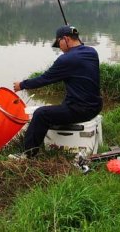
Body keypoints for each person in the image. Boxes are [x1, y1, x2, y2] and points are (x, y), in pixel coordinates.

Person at [12, 25, 102, 158]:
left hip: (81, 110)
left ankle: (27, 155)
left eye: (58, 43)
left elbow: (44, 79)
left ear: (65, 39)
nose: (59, 47)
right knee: (59, 106)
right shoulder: (92, 52)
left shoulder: (66, 60)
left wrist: (22, 85)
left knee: (41, 114)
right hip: (96, 106)